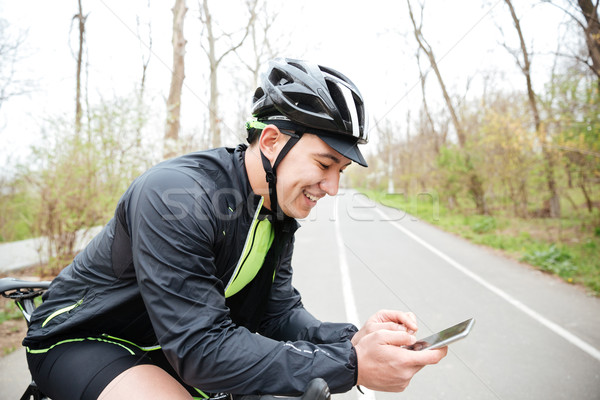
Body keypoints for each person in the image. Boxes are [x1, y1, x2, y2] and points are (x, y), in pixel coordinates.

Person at [23, 58, 447, 400]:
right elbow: (200, 350)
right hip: (87, 339)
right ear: (271, 142)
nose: (333, 188)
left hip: (170, 346)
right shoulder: (178, 195)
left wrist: (355, 341)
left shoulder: (277, 212)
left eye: (341, 171)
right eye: (323, 165)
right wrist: (351, 366)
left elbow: (276, 312)